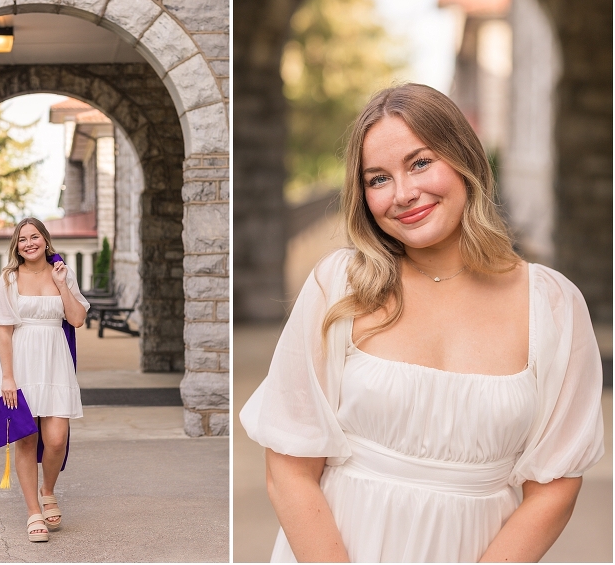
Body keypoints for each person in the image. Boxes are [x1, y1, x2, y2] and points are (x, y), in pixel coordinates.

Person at [239, 83, 604, 562]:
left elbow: (555, 485)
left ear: (464, 160)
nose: (404, 194)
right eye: (377, 179)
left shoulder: (553, 303)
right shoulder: (340, 286)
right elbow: (288, 468)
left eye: (420, 163)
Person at [0, 217, 90, 542]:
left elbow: (77, 319)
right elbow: (4, 334)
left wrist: (61, 284)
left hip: (55, 362)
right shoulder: (9, 279)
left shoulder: (62, 273)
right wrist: (7, 378)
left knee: (56, 438)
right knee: (26, 439)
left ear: (45, 239)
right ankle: (33, 511)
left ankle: (48, 489)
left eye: (34, 236)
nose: (29, 243)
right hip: (21, 363)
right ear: (16, 246)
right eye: (22, 239)